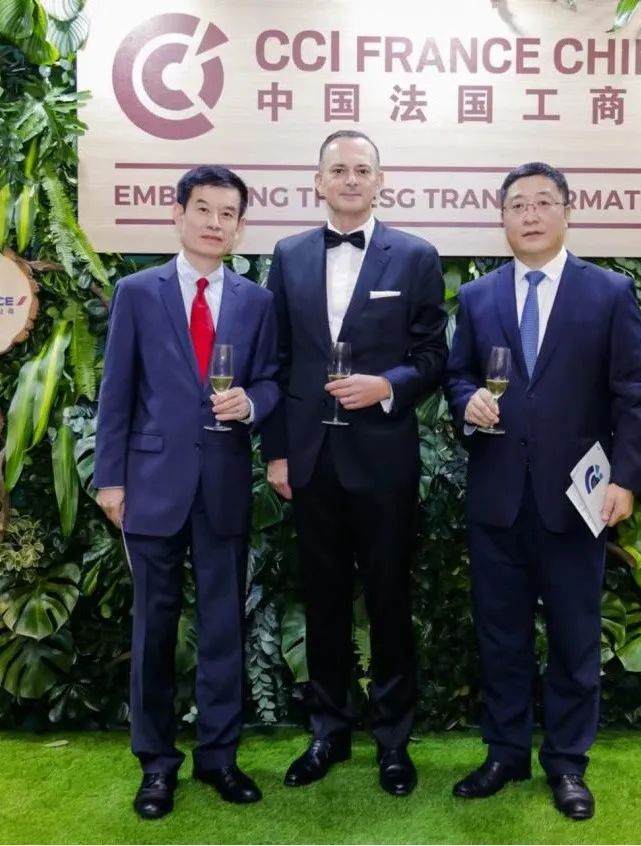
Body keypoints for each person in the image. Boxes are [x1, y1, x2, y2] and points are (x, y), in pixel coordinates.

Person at [445, 162, 641, 820]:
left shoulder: (609, 292)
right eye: (517, 205)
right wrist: (466, 401)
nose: (529, 215)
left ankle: (566, 763)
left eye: (542, 203)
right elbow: (455, 376)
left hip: (577, 500)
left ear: (567, 210)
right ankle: (505, 753)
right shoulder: (477, 298)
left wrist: (625, 478)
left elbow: (632, 393)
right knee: (500, 636)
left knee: (573, 637)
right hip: (497, 497)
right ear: (502, 217)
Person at [261, 130, 447, 796]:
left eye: (361, 169)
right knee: (322, 600)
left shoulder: (416, 256)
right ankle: (328, 731)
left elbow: (433, 356)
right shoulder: (287, 255)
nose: (349, 179)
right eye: (337, 169)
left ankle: (393, 741)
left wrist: (386, 386)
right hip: (309, 459)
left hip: (383, 457)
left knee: (390, 598)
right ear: (318, 181)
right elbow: (276, 360)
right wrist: (277, 452)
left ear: (379, 181)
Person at [94, 165, 280, 819]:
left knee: (224, 625)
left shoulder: (256, 302)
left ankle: (219, 757)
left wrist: (250, 403)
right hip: (150, 485)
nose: (214, 223)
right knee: (154, 630)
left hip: (223, 486)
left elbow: (271, 381)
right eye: (203, 209)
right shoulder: (137, 293)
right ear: (177, 214)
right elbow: (116, 391)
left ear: (239, 227)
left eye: (227, 214)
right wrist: (110, 478)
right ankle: (155, 764)